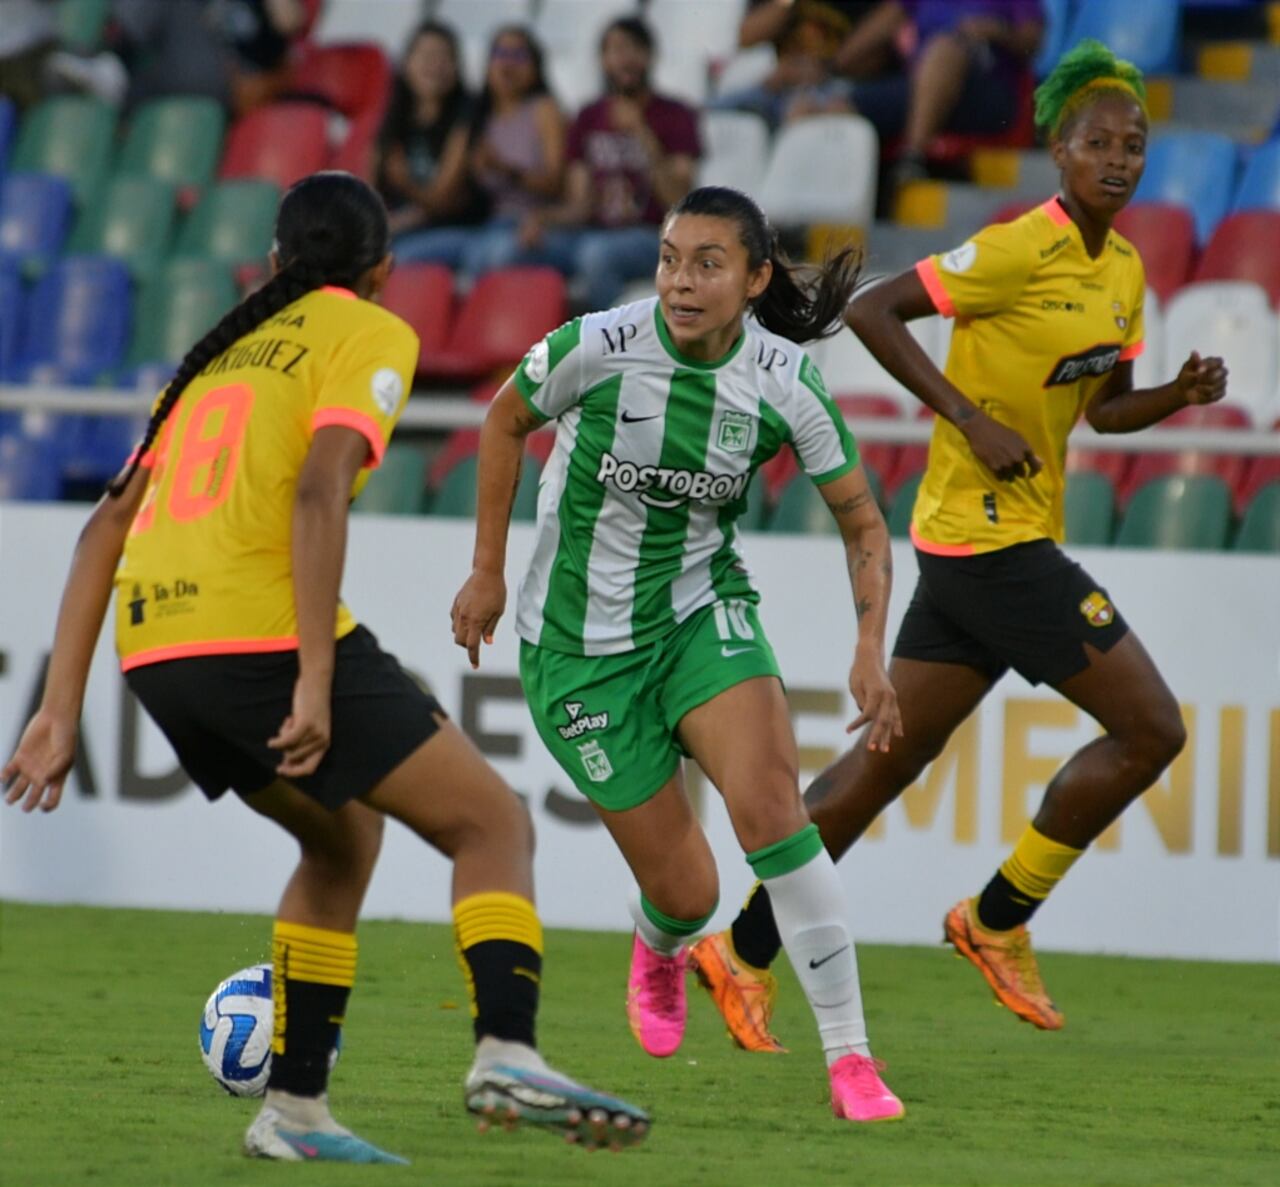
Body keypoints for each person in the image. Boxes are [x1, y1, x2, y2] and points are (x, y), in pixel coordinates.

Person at [2, 171, 649, 1164]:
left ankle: (293, 1110)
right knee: (493, 823)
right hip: (257, 637)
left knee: (342, 844)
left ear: (272, 261)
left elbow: (103, 528)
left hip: (160, 653)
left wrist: (53, 712)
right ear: (383, 271)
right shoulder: (367, 332)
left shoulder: (210, 365)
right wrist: (311, 677)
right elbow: (317, 494)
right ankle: (506, 1050)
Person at [691, 41, 1228, 1050]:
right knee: (1151, 728)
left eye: (1133, 144)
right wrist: (966, 416)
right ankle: (997, 917)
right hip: (988, 545)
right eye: (1095, 141)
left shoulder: (1119, 269)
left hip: (984, 542)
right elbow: (869, 310)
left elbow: (1103, 411)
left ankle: (741, 948)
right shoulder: (1020, 246)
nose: (1117, 157)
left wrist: (1176, 394)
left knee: (883, 765)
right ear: (1058, 151)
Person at [451, 185, 906, 1123]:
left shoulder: (785, 384)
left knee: (774, 811)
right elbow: (503, 420)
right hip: (577, 652)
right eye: (669, 258)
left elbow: (862, 518)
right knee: (688, 887)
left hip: (701, 613)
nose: (682, 280)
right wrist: (487, 571)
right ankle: (661, 944)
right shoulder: (598, 347)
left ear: (754, 279)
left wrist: (870, 646)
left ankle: (852, 1058)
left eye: (707, 262)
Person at [510, 15, 700, 313]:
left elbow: (679, 201)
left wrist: (642, 133)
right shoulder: (588, 117)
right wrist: (542, 219)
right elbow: (580, 205)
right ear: (602, 60)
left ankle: (615, 349)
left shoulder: (676, 114)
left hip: (655, 235)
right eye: (613, 50)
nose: (624, 59)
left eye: (632, 48)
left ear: (650, 55)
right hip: (594, 232)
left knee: (596, 255)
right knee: (512, 252)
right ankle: (537, 351)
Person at [395, 25, 563, 280]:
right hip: (486, 227)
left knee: (487, 259)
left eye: (519, 55)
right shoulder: (479, 115)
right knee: (403, 255)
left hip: (532, 225)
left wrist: (506, 169)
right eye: (501, 54)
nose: (508, 64)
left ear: (535, 65)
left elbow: (555, 185)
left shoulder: (543, 109)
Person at [841, 1, 1044, 189]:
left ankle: (912, 158)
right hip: (919, 85)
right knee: (837, 106)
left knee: (946, 48)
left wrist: (998, 31)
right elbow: (880, 26)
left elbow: (1032, 43)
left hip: (986, 92)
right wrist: (829, 67)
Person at [376, 20, 484, 240]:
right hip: (400, 226)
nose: (435, 65)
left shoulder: (467, 111)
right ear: (407, 62)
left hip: (453, 228)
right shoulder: (392, 111)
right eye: (426, 56)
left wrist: (406, 185)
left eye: (444, 57)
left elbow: (443, 200)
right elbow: (368, 186)